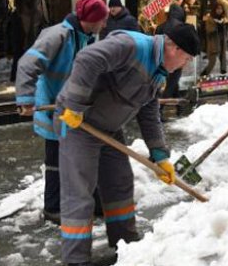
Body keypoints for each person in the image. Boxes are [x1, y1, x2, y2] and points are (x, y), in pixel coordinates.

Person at [55, 23, 200, 265]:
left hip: (109, 129)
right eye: (185, 58)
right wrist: (76, 105)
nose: (184, 65)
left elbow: (149, 110)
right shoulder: (131, 45)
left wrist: (160, 155)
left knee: (119, 182)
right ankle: (76, 259)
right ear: (173, 47)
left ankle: (126, 243)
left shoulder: (159, 70)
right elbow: (87, 58)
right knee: (80, 192)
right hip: (79, 124)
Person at [15, 0, 108, 225]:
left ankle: (95, 203)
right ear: (91, 19)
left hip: (75, 109)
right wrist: (26, 99)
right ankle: (53, 208)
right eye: (102, 20)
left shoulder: (86, 38)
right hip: (52, 107)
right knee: (55, 161)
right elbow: (27, 64)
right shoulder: (58, 35)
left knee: (87, 156)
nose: (104, 25)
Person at [155, 4, 186, 99]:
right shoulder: (182, 27)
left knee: (172, 82)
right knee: (171, 84)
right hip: (176, 59)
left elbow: (156, 43)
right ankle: (161, 106)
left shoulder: (160, 27)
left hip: (164, 58)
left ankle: (179, 104)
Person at [201, 2, 228, 76]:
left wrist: (226, 25)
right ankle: (204, 74)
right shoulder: (210, 19)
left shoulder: (224, 18)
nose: (219, 10)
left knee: (223, 58)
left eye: (221, 9)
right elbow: (208, 30)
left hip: (222, 41)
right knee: (212, 60)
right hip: (213, 42)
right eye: (218, 9)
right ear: (215, 9)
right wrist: (217, 26)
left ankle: (223, 72)